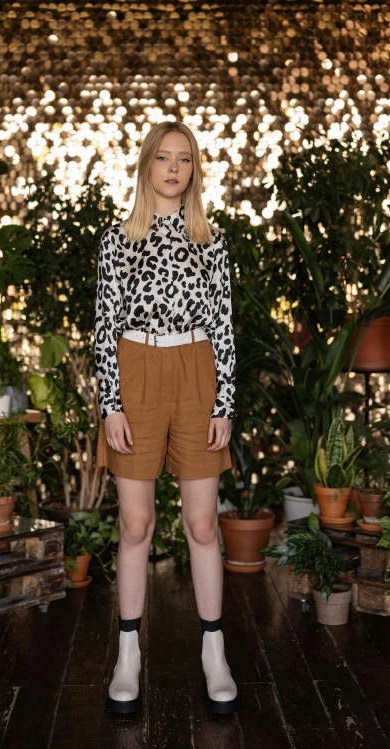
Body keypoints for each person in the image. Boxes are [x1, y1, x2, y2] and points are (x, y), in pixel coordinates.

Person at [94, 120, 239, 716]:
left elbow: (226, 325)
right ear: (147, 166)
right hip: (137, 368)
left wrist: (225, 402)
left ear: (193, 171)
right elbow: (103, 327)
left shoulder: (212, 241)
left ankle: (215, 652)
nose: (174, 168)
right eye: (164, 158)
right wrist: (111, 403)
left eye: (185, 159)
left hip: (197, 370)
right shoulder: (117, 239)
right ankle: (127, 653)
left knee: (202, 525)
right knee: (135, 526)